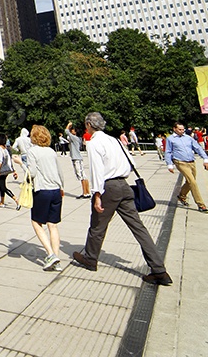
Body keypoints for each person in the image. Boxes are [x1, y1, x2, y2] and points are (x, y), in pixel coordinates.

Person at [72, 112, 171, 286]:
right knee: (138, 227)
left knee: (97, 225)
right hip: (124, 186)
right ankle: (159, 269)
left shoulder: (94, 143)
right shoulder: (115, 140)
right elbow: (130, 162)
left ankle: (90, 258)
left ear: (88, 124)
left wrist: (96, 195)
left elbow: (97, 171)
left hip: (108, 187)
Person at [13, 125, 65, 271]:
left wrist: (21, 163)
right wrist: (62, 187)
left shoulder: (32, 152)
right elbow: (59, 172)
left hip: (42, 190)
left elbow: (33, 173)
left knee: (36, 222)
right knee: (53, 225)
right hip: (55, 189)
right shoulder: (51, 152)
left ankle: (50, 254)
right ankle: (56, 258)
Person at [165, 123, 208, 213]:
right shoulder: (170, 139)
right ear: (174, 129)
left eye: (183, 129)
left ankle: (182, 196)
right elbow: (168, 151)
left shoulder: (188, 138)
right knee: (193, 182)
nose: (182, 131)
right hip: (180, 162)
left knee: (190, 182)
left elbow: (197, 148)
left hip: (191, 161)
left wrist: (205, 159)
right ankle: (201, 204)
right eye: (180, 129)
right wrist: (169, 164)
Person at [64, 121, 91, 198]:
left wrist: (68, 125)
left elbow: (66, 131)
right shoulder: (77, 138)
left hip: (77, 159)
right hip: (76, 158)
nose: (71, 131)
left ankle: (86, 193)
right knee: (82, 176)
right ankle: (86, 192)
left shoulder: (75, 138)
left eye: (73, 130)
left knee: (81, 176)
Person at [0, 135, 17, 207]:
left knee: (2, 187)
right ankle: (2, 202)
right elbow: (9, 160)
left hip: (1, 170)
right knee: (1, 185)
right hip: (6, 170)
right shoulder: (5, 149)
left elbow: (0, 160)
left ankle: (15, 199)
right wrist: (14, 171)